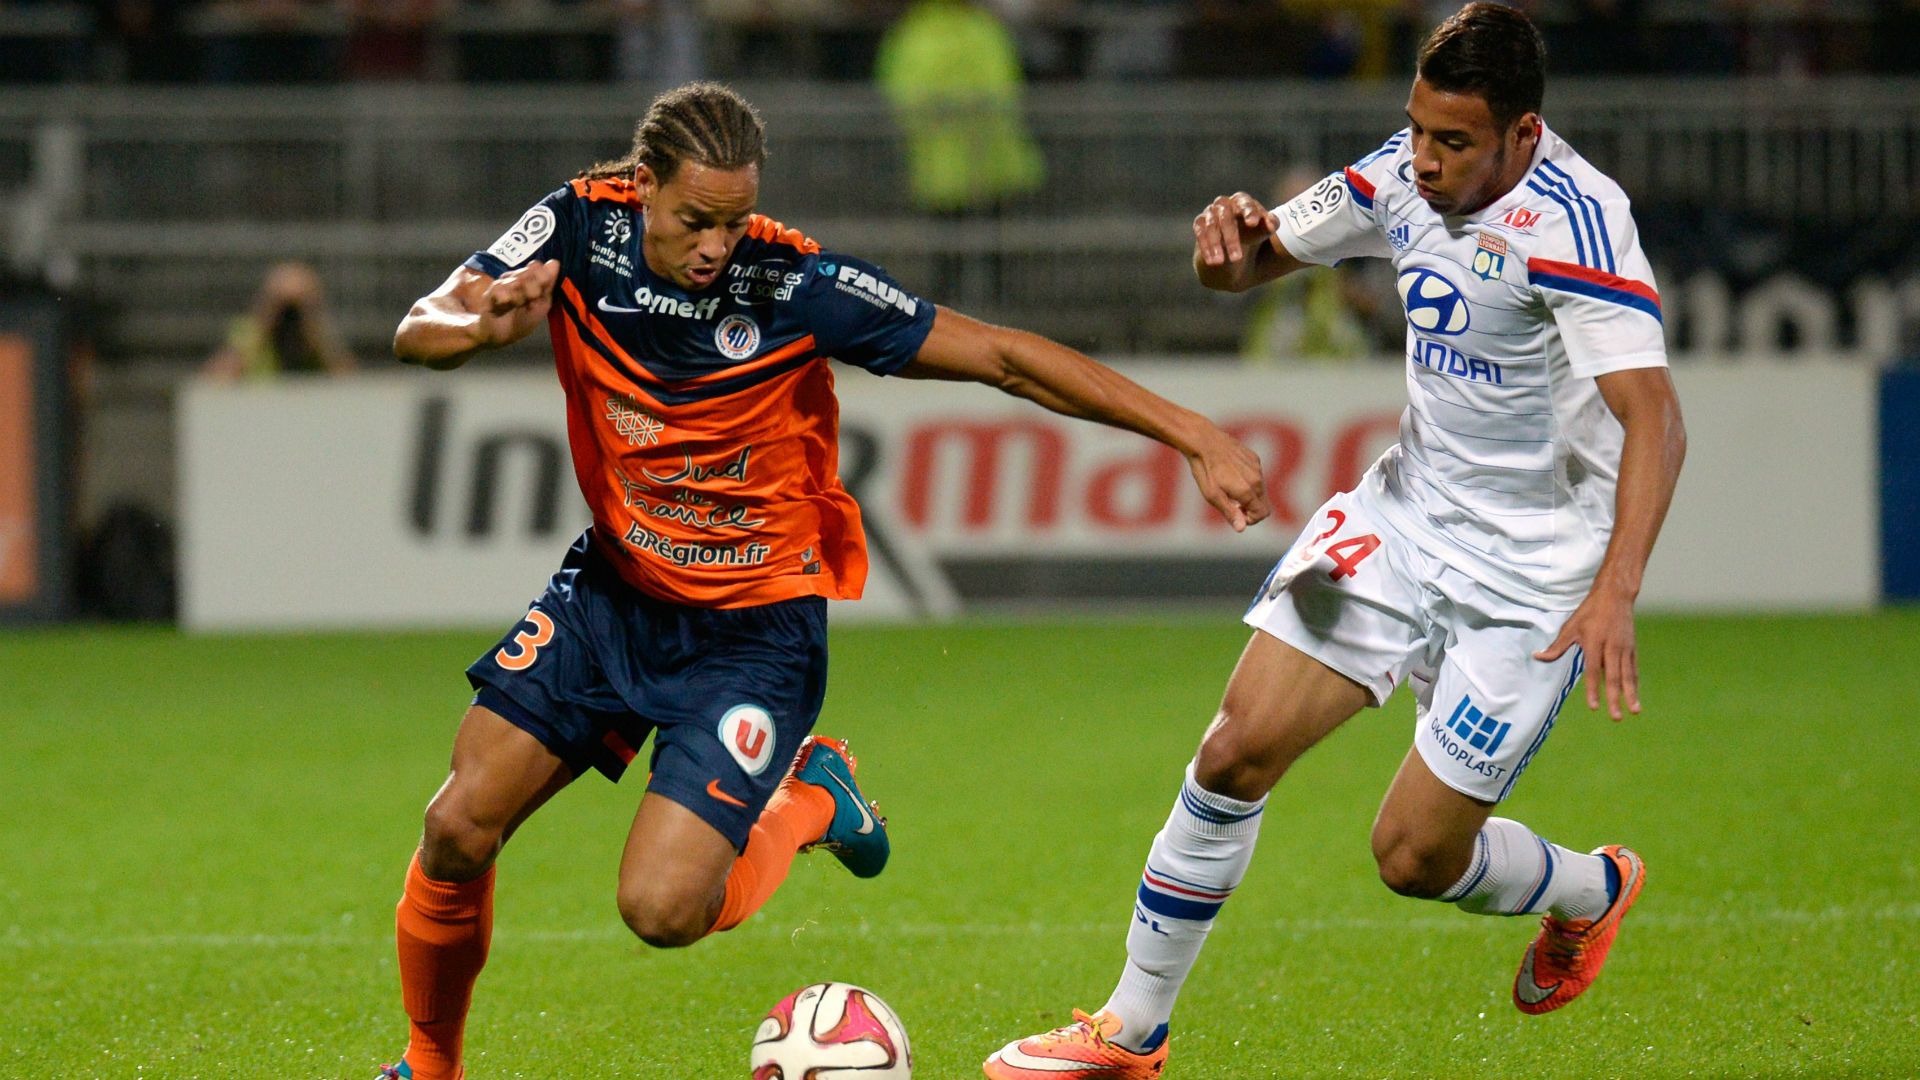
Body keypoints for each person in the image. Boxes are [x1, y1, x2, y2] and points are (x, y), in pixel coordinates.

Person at [379, 81, 1269, 1080]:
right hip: (614, 599)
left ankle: (808, 798)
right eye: (693, 220)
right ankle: (429, 1064)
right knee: (457, 827)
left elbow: (1007, 361)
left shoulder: (796, 284)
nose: (716, 244)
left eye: (732, 218)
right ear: (642, 187)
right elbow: (422, 324)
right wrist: (476, 328)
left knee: (663, 913)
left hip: (754, 638)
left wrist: (1190, 432)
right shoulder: (580, 226)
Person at [983, 5, 1687, 1077]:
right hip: (1403, 519)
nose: (1427, 159)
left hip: (1535, 578)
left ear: (1524, 135)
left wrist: (1616, 591)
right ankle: (1132, 1028)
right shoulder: (1399, 176)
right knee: (1234, 750)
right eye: (1417, 129)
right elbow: (1245, 268)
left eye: (1455, 141)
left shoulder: (1581, 229)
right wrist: (1225, 237)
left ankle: (1594, 890)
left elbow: (1657, 420)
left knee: (1412, 858)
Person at [203, 261, 357, 381]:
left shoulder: (321, 339)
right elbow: (215, 383)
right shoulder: (249, 331)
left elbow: (351, 386)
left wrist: (314, 328)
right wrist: (264, 322)